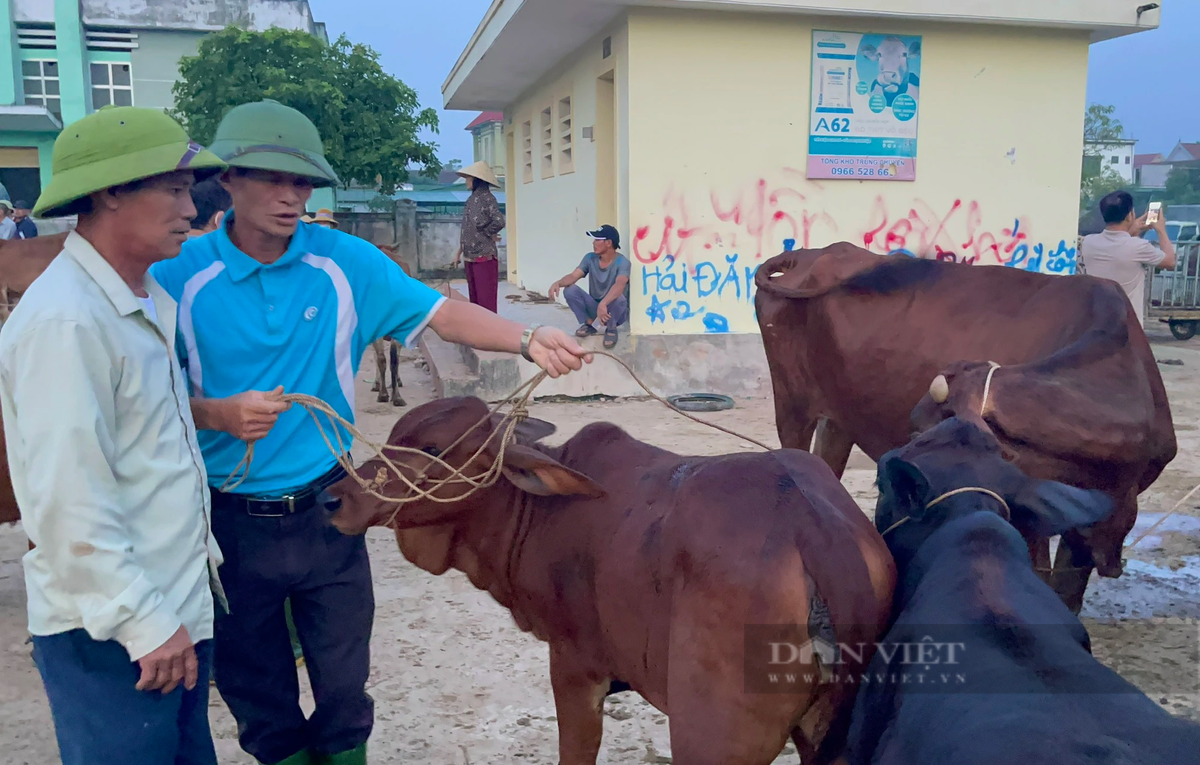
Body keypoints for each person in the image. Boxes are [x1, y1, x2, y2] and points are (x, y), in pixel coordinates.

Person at [149, 99, 589, 765]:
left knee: (344, 685)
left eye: (302, 182)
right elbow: (142, 397)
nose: (290, 196)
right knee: (256, 688)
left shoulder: (343, 263)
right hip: (225, 520)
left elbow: (441, 314)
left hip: (331, 506)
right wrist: (214, 413)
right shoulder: (177, 277)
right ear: (230, 180)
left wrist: (528, 338)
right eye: (271, 178)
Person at [0, 106, 227, 765]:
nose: (193, 208)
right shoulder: (66, 320)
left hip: (166, 610)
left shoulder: (146, 298)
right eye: (176, 189)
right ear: (110, 191)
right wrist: (145, 622)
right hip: (112, 630)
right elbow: (66, 500)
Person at [1080, 191, 1177, 328]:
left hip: (1096, 322)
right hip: (1128, 327)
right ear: (1130, 215)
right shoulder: (1138, 247)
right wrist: (1161, 229)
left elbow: (1116, 247)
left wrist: (1131, 231)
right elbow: (1170, 261)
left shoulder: (1089, 242)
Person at [548, 225, 631, 349]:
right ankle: (589, 324)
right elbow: (573, 275)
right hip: (596, 308)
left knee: (619, 298)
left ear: (608, 243)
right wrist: (558, 283)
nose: (594, 243)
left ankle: (611, 328)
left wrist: (604, 303)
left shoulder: (623, 262)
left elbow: (620, 285)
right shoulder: (590, 258)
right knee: (570, 290)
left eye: (597, 240)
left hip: (615, 311)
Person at [452, 160, 505, 312]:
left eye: (468, 178)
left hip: (484, 257)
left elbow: (499, 221)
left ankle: (490, 331)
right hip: (470, 257)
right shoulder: (470, 200)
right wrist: (459, 253)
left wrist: (487, 233)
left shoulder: (488, 198)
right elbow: (467, 230)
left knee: (485, 301)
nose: (466, 182)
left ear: (476, 180)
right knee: (474, 302)